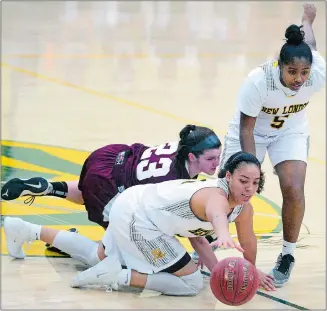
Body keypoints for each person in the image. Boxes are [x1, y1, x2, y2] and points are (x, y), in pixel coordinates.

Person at [4, 152, 276, 295]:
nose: (249, 187)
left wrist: (252, 272)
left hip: (130, 203)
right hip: (140, 220)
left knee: (95, 255)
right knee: (192, 283)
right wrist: (223, 234)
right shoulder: (215, 195)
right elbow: (217, 215)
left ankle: (25, 229)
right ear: (228, 177)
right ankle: (118, 277)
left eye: (255, 182)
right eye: (243, 180)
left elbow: (229, 240)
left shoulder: (243, 207)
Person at [219, 4, 325, 287]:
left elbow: (311, 47)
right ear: (280, 66)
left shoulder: (316, 73)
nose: (299, 80)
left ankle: (288, 255)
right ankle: (207, 243)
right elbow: (246, 129)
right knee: (231, 191)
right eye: (292, 72)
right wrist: (251, 172)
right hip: (251, 133)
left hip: (289, 132)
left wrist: (307, 21)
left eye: (304, 73)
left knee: (294, 188)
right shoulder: (258, 82)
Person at [1, 124, 221, 230]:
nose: (217, 163)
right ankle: (62, 240)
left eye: (219, 157)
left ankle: (47, 187)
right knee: (120, 248)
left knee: (88, 191)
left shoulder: (183, 145)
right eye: (211, 159)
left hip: (110, 156)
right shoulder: (175, 181)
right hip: (109, 182)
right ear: (192, 157)